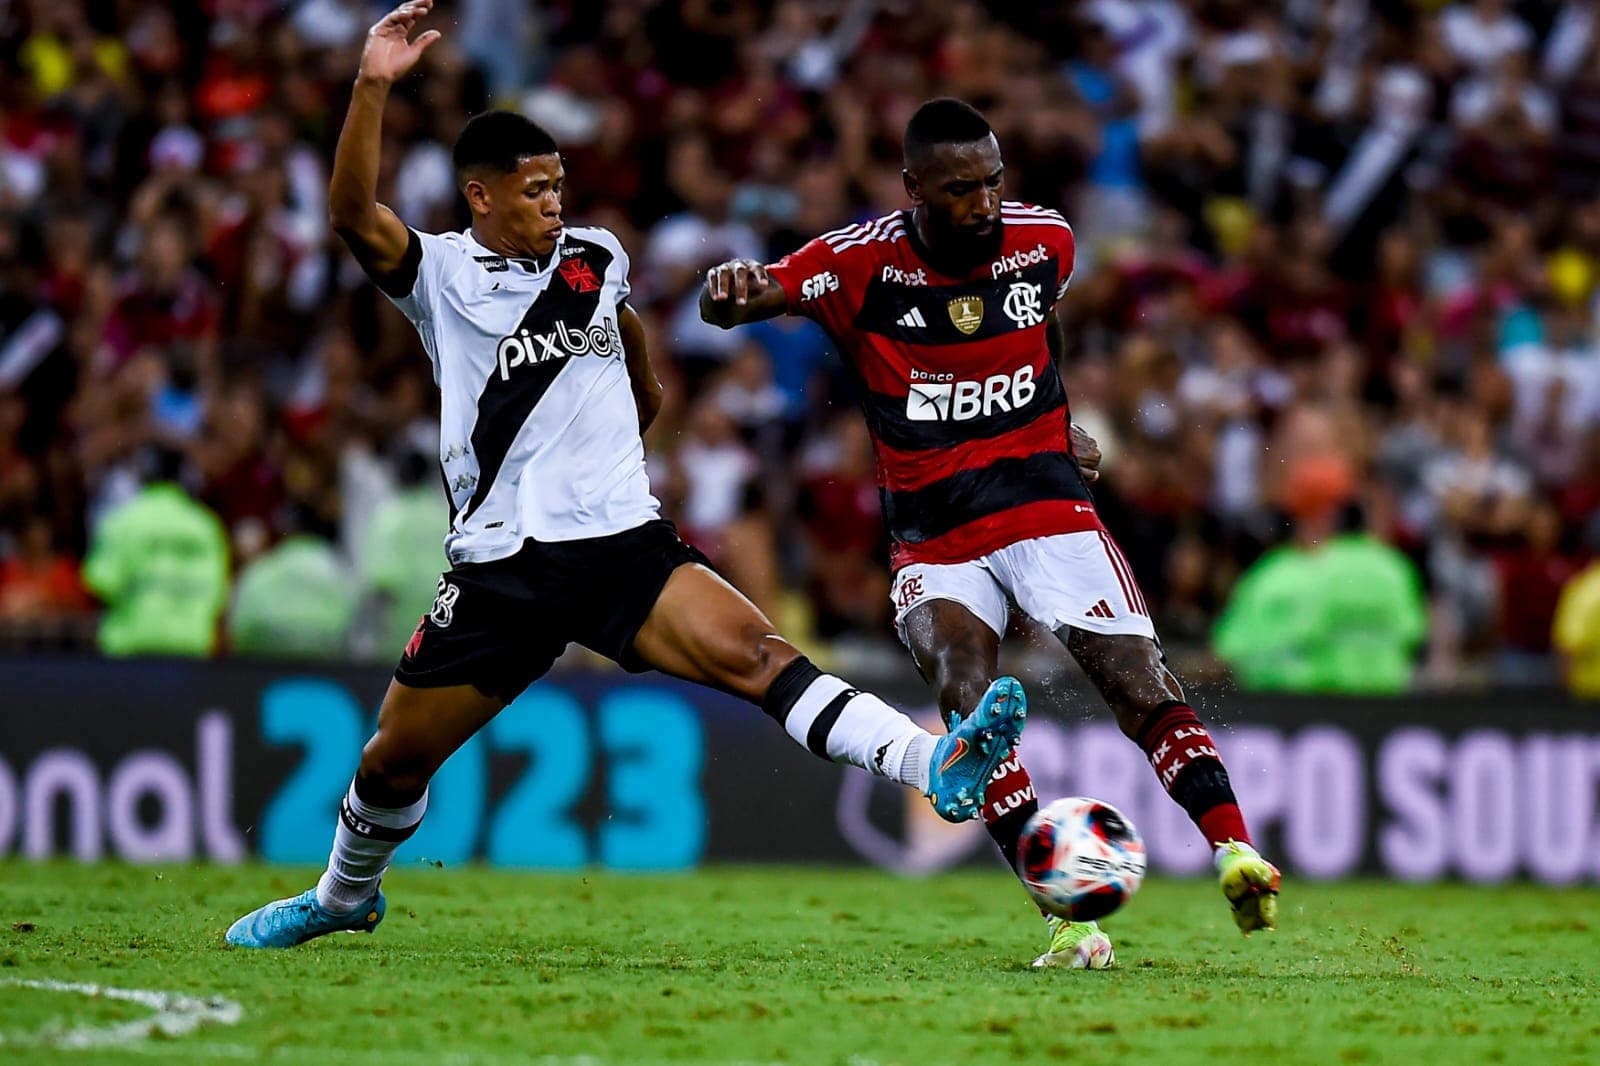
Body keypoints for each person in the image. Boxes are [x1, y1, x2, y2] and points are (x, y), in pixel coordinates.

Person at [225, 2, 1025, 950]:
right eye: (533, 190)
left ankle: (935, 764)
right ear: (480, 197)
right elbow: (351, 216)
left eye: (559, 186)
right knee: (392, 762)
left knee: (760, 656)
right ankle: (342, 897)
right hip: (500, 567)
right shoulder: (438, 276)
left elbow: (628, 342)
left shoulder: (596, 257)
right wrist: (370, 85)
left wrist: (639, 402)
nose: (553, 204)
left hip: (617, 545)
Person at [702, 97, 1280, 968]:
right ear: (914, 189)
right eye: (960, 189)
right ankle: (1069, 923)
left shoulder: (1046, 241)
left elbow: (1043, 330)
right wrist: (731, 288)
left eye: (993, 182)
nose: (983, 203)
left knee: (1132, 680)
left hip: (1045, 505)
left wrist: (1060, 418)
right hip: (934, 536)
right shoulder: (860, 263)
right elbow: (762, 292)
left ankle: (1236, 851)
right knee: (967, 698)